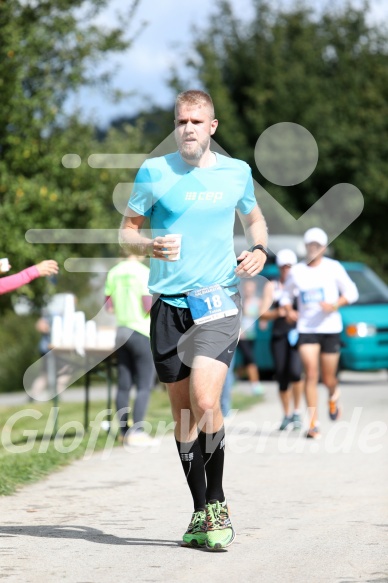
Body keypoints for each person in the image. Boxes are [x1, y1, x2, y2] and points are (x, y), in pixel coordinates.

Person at [119, 89, 268, 550]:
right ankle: (200, 510)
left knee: (206, 400)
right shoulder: (154, 172)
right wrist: (147, 247)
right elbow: (126, 232)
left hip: (218, 301)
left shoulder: (236, 172)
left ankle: (219, 500)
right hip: (168, 306)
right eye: (182, 121)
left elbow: (256, 222)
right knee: (182, 415)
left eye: (197, 122)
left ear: (212, 128)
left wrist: (260, 250)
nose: (188, 129)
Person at [280, 228, 359, 439]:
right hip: (306, 329)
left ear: (324, 248)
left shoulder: (333, 268)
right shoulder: (297, 271)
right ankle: (313, 424)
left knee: (328, 377)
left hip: (330, 328)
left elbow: (352, 292)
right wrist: (289, 311)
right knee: (311, 374)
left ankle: (333, 395)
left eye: (318, 245)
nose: (313, 248)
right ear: (305, 247)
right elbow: (285, 297)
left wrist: (334, 305)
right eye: (310, 245)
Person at [105, 254, 157, 446]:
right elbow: (147, 306)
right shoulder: (144, 272)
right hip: (141, 331)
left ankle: (124, 432)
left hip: (121, 331)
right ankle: (137, 432)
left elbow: (109, 307)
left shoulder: (113, 272)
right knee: (144, 385)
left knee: (123, 385)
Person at [260, 249, 303, 430]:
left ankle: (297, 412)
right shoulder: (273, 286)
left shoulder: (300, 286)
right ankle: (286, 414)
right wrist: (278, 312)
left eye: (289, 267)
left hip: (297, 334)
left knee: (295, 372)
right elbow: (262, 314)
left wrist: (296, 314)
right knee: (282, 375)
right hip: (279, 335)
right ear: (279, 267)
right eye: (283, 267)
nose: (286, 270)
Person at [237, 279, 265, 396]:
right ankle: (255, 384)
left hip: (251, 335)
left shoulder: (257, 302)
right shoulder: (240, 302)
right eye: (247, 288)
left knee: (245, 359)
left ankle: (235, 377)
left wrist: (264, 320)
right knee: (250, 359)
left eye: (251, 288)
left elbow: (263, 314)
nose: (249, 290)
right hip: (241, 335)